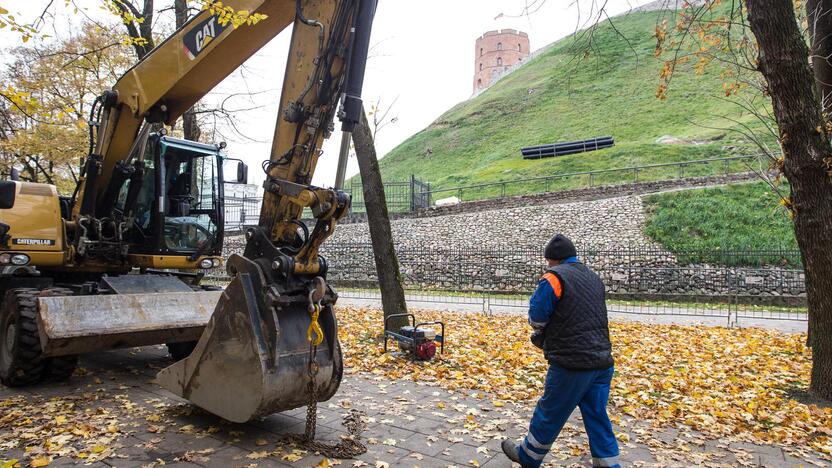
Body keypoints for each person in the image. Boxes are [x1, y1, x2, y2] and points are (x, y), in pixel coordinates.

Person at [501, 234, 620, 468]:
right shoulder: (593, 277)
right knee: (597, 415)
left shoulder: (554, 278)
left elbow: (537, 315)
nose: (547, 265)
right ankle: (609, 464)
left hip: (572, 362)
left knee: (550, 411)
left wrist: (541, 332)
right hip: (602, 360)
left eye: (548, 261)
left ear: (553, 259)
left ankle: (528, 456)